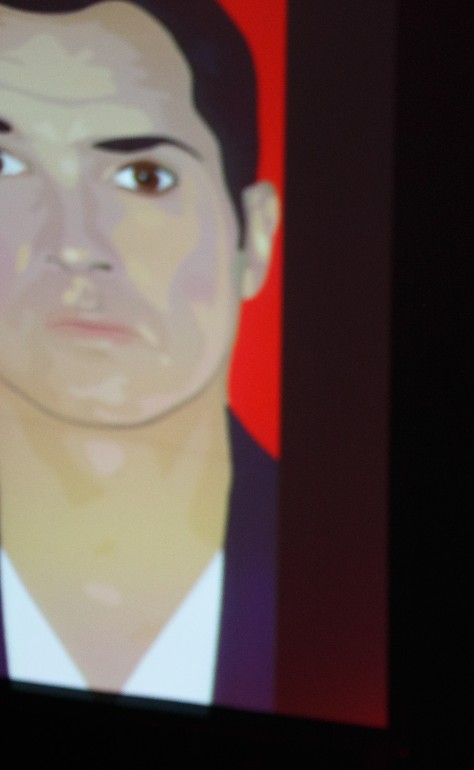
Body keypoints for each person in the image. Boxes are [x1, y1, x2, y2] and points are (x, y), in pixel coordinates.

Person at [0, 0, 280, 708]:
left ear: (256, 235)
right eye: (7, 164)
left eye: (144, 178)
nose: (74, 243)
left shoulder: (339, 573)